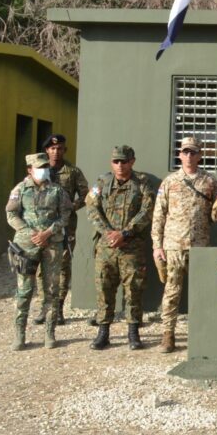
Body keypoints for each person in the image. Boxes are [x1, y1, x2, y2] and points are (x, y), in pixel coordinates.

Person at [151, 136, 217, 353]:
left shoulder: (209, 181)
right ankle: (168, 335)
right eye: (185, 152)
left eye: (193, 152)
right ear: (180, 155)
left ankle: (202, 334)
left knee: (201, 292)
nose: (189, 156)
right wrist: (157, 245)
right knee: (171, 292)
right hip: (173, 246)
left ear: (200, 155)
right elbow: (159, 214)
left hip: (199, 247)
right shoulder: (169, 182)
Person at [84, 145, 155, 350]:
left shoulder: (142, 183)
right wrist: (109, 233)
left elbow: (147, 210)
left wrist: (125, 233)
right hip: (106, 246)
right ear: (111, 162)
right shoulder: (102, 182)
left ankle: (133, 333)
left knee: (134, 289)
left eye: (124, 161)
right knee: (104, 288)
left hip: (132, 246)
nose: (120, 165)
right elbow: (92, 209)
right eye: (116, 161)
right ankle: (103, 332)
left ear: (132, 161)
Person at [7, 153, 73, 350]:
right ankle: (20, 334)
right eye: (39, 166)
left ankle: (49, 332)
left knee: (52, 289)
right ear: (29, 169)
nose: (43, 169)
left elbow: (66, 214)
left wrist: (48, 232)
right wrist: (31, 232)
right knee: (24, 290)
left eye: (45, 166)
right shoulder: (20, 189)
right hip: (26, 246)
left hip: (52, 245)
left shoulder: (57, 190)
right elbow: (11, 214)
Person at [35, 133, 88, 327]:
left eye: (59, 149)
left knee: (63, 267)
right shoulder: (40, 171)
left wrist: (71, 207)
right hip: (43, 226)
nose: (56, 152)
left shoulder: (73, 172)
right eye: (52, 149)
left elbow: (85, 195)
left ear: (64, 150)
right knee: (42, 267)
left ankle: (58, 309)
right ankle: (44, 307)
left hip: (65, 227)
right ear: (47, 150)